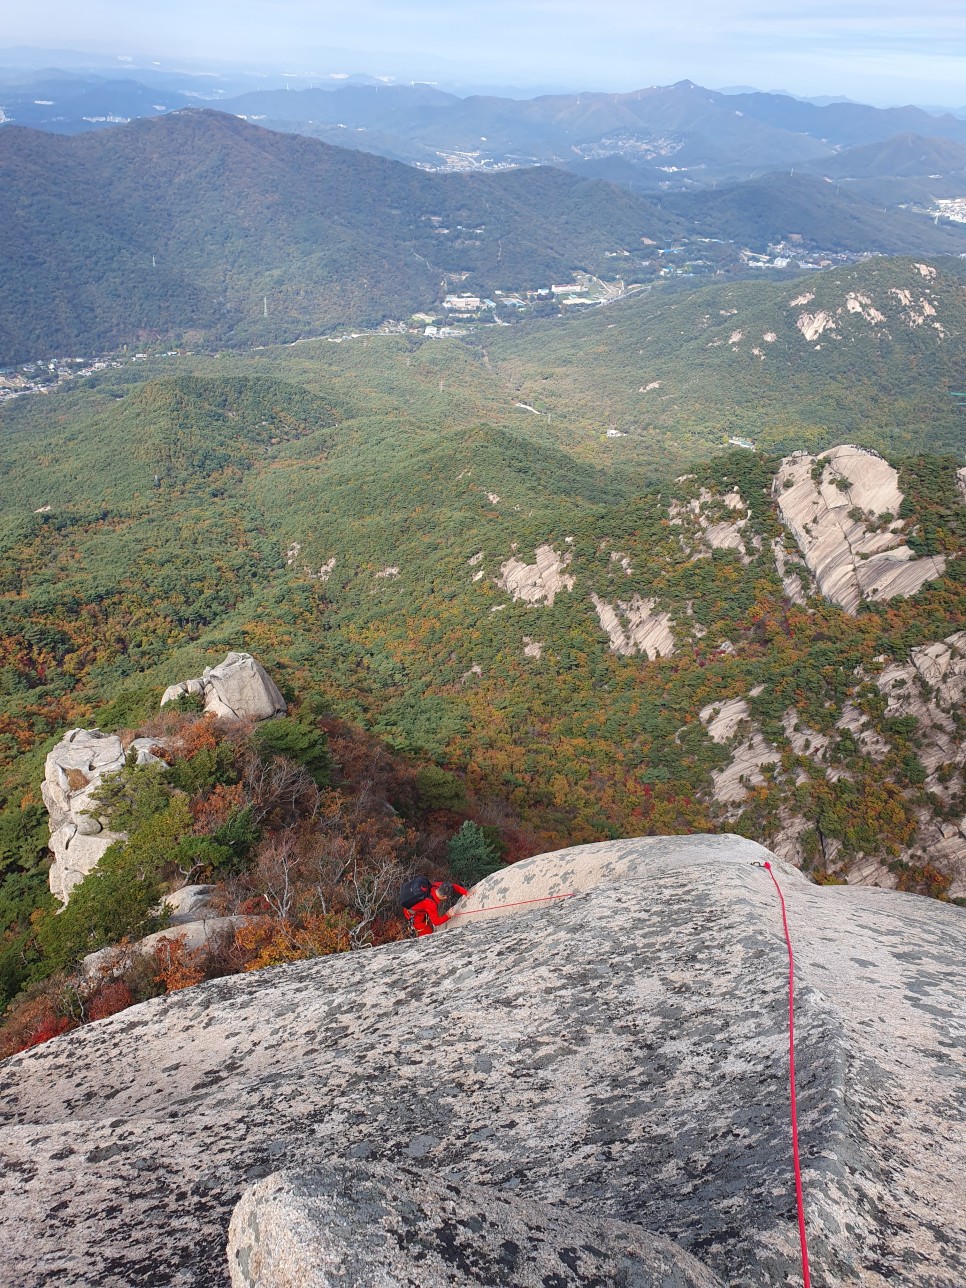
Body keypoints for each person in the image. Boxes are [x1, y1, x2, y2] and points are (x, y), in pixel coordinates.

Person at [400, 877, 469, 937]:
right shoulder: (431, 904)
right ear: (444, 897)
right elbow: (436, 922)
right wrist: (448, 915)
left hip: (417, 906)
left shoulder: (437, 885)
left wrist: (466, 893)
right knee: (428, 934)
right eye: (448, 896)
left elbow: (453, 886)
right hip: (416, 915)